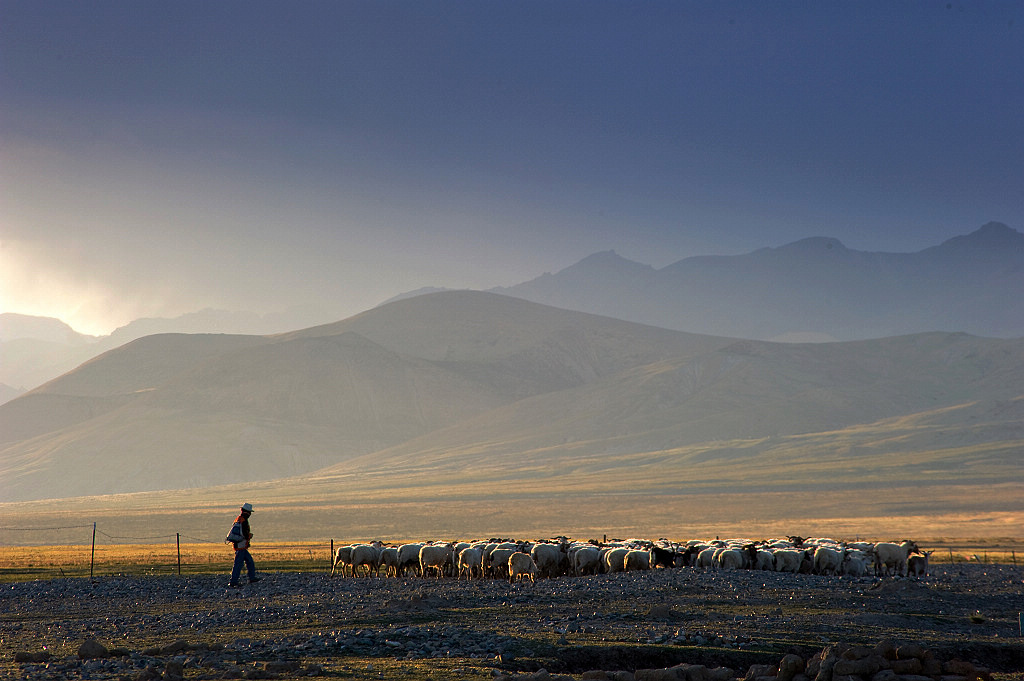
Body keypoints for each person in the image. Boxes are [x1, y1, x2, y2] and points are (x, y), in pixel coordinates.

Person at [228, 502, 261, 587]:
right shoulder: (243, 521)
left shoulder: (238, 519)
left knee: (249, 561)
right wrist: (249, 536)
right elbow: (244, 534)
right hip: (241, 546)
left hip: (240, 545)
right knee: (238, 564)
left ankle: (252, 578)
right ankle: (233, 582)